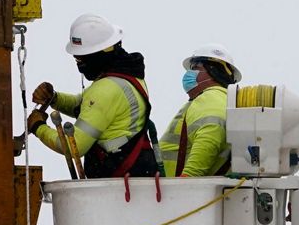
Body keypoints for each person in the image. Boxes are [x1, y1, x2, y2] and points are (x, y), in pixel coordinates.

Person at [26, 13, 160, 179]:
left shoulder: (105, 90)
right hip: (133, 177)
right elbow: (87, 107)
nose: (78, 64)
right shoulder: (128, 77)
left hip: (116, 186)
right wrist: (55, 98)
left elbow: (74, 146)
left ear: (96, 56)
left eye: (80, 58)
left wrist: (38, 127)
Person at [158, 44, 241, 177]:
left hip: (182, 191)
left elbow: (210, 135)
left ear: (213, 71)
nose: (189, 74)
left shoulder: (210, 97)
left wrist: (189, 176)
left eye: (196, 68)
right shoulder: (221, 100)